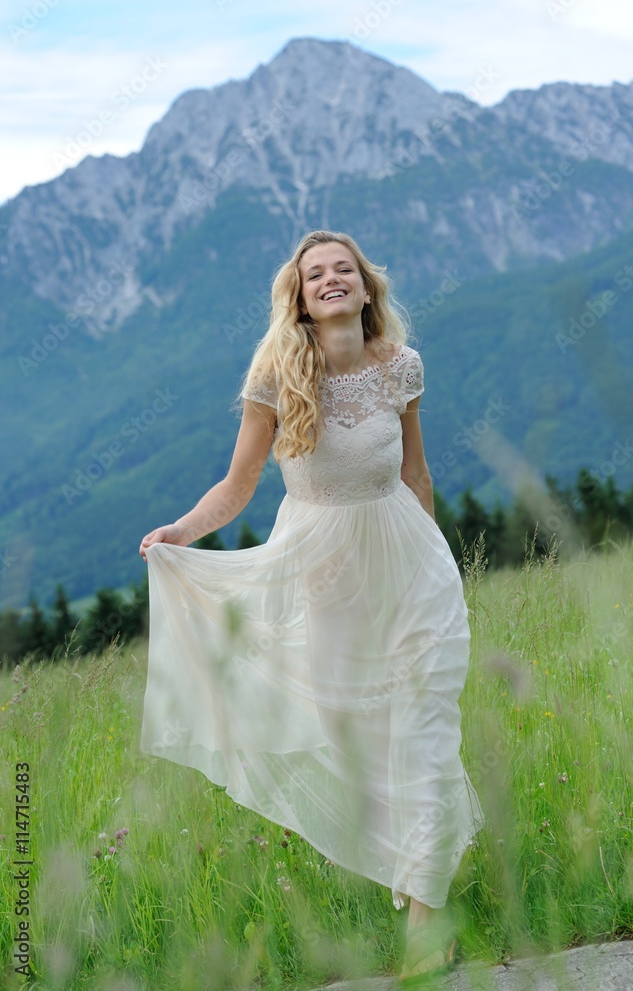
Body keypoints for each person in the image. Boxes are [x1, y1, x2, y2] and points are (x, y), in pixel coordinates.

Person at [139, 229, 485, 981]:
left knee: (426, 727)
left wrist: (437, 564)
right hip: (324, 574)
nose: (330, 280)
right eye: (313, 275)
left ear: (366, 289)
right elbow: (237, 487)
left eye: (344, 270)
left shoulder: (402, 368)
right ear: (297, 298)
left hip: (410, 567)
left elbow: (417, 476)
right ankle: (408, 852)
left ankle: (426, 924)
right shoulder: (277, 371)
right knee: (351, 732)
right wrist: (180, 532)